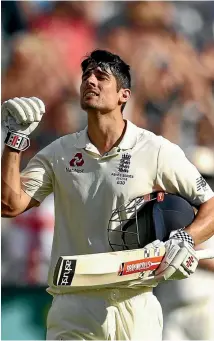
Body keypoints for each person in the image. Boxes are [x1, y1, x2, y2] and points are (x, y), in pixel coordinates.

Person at [1, 49, 214, 341]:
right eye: (86, 76)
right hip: (73, 305)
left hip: (134, 304)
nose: (91, 81)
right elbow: (9, 205)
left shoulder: (155, 150)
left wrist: (186, 238)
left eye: (101, 77)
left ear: (123, 95)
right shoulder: (59, 153)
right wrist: (15, 142)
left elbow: (210, 204)